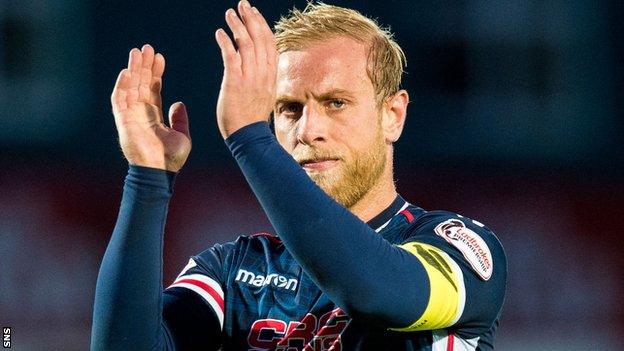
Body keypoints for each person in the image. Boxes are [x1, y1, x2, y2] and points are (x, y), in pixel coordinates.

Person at [91, 1, 507, 350]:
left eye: (336, 103)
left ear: (392, 115)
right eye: (290, 108)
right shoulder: (233, 270)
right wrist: (147, 179)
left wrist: (249, 139)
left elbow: (376, 292)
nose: (308, 131)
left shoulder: (456, 248)